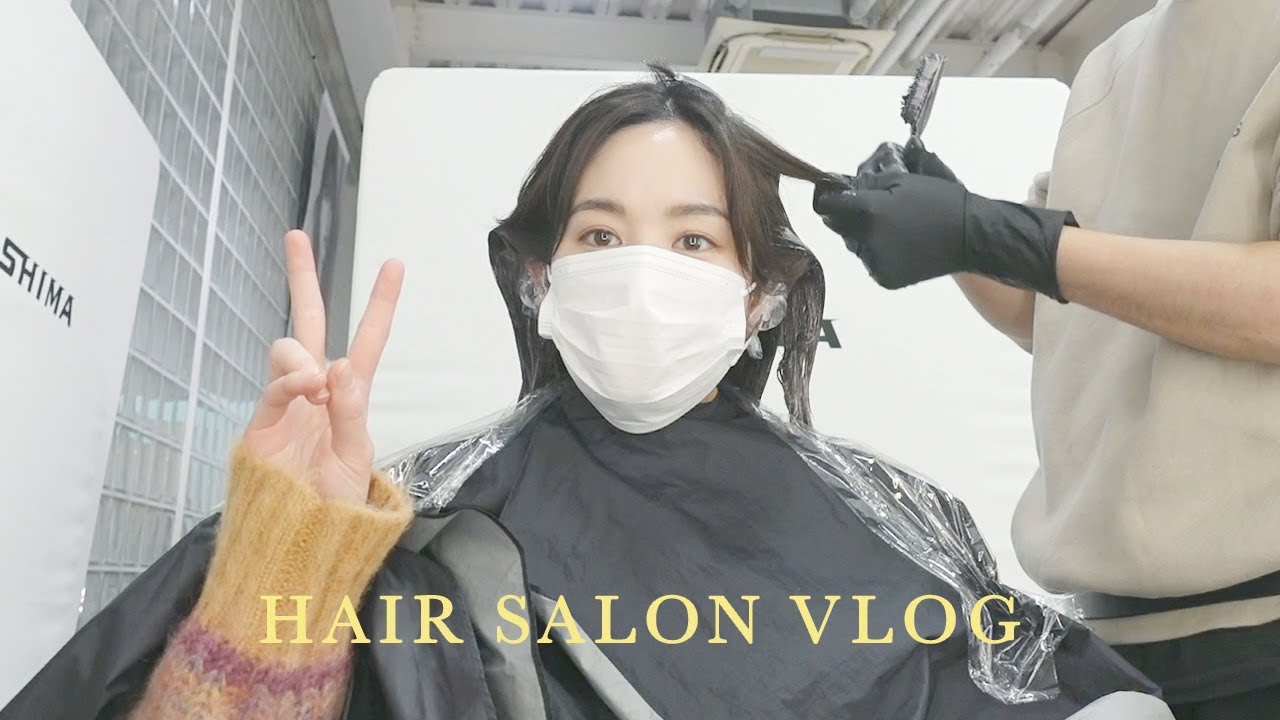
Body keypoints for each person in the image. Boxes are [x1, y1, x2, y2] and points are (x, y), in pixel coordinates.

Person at [3, 68, 1171, 720]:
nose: (641, 273)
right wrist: (283, 553)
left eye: (692, 240)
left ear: (758, 295)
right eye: (601, 235)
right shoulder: (401, 530)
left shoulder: (894, 538)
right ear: (539, 277)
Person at [813, 2, 1280, 717]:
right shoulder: (1113, 63)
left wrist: (998, 236)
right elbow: (1056, 315)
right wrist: (960, 233)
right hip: (1114, 644)